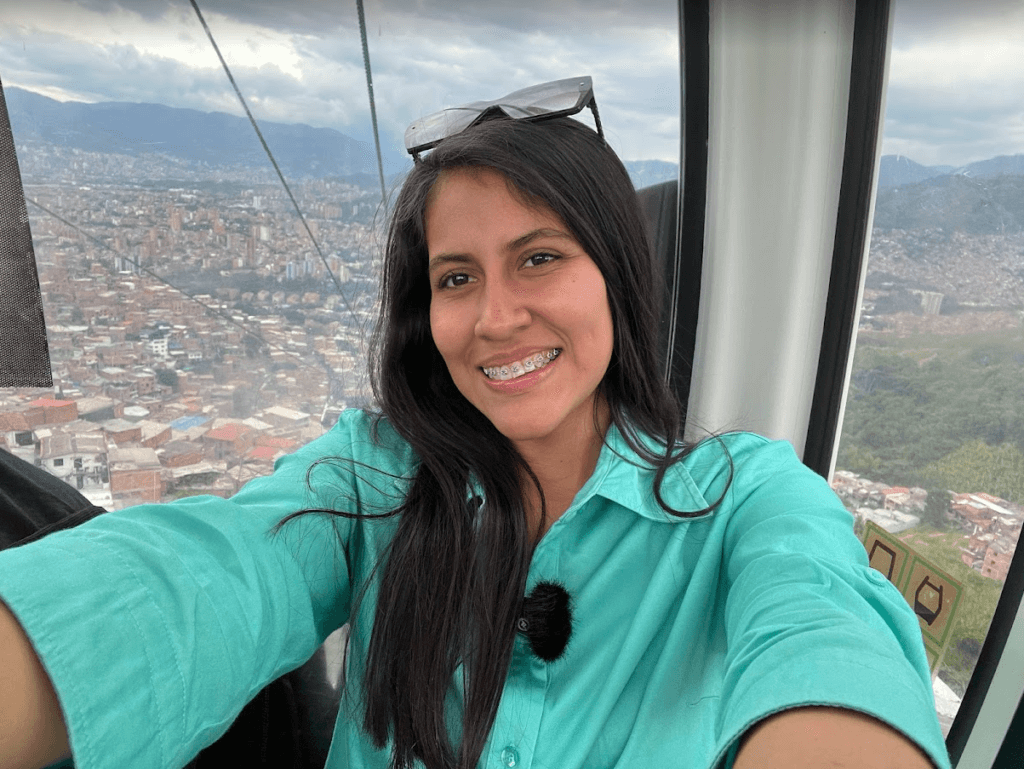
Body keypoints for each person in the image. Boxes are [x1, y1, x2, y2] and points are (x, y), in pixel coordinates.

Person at [0, 77, 950, 769]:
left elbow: (827, 637)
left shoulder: (749, 505)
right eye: (457, 277)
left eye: (539, 258)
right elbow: (204, 575)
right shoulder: (376, 476)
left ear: (616, 273)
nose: (495, 316)